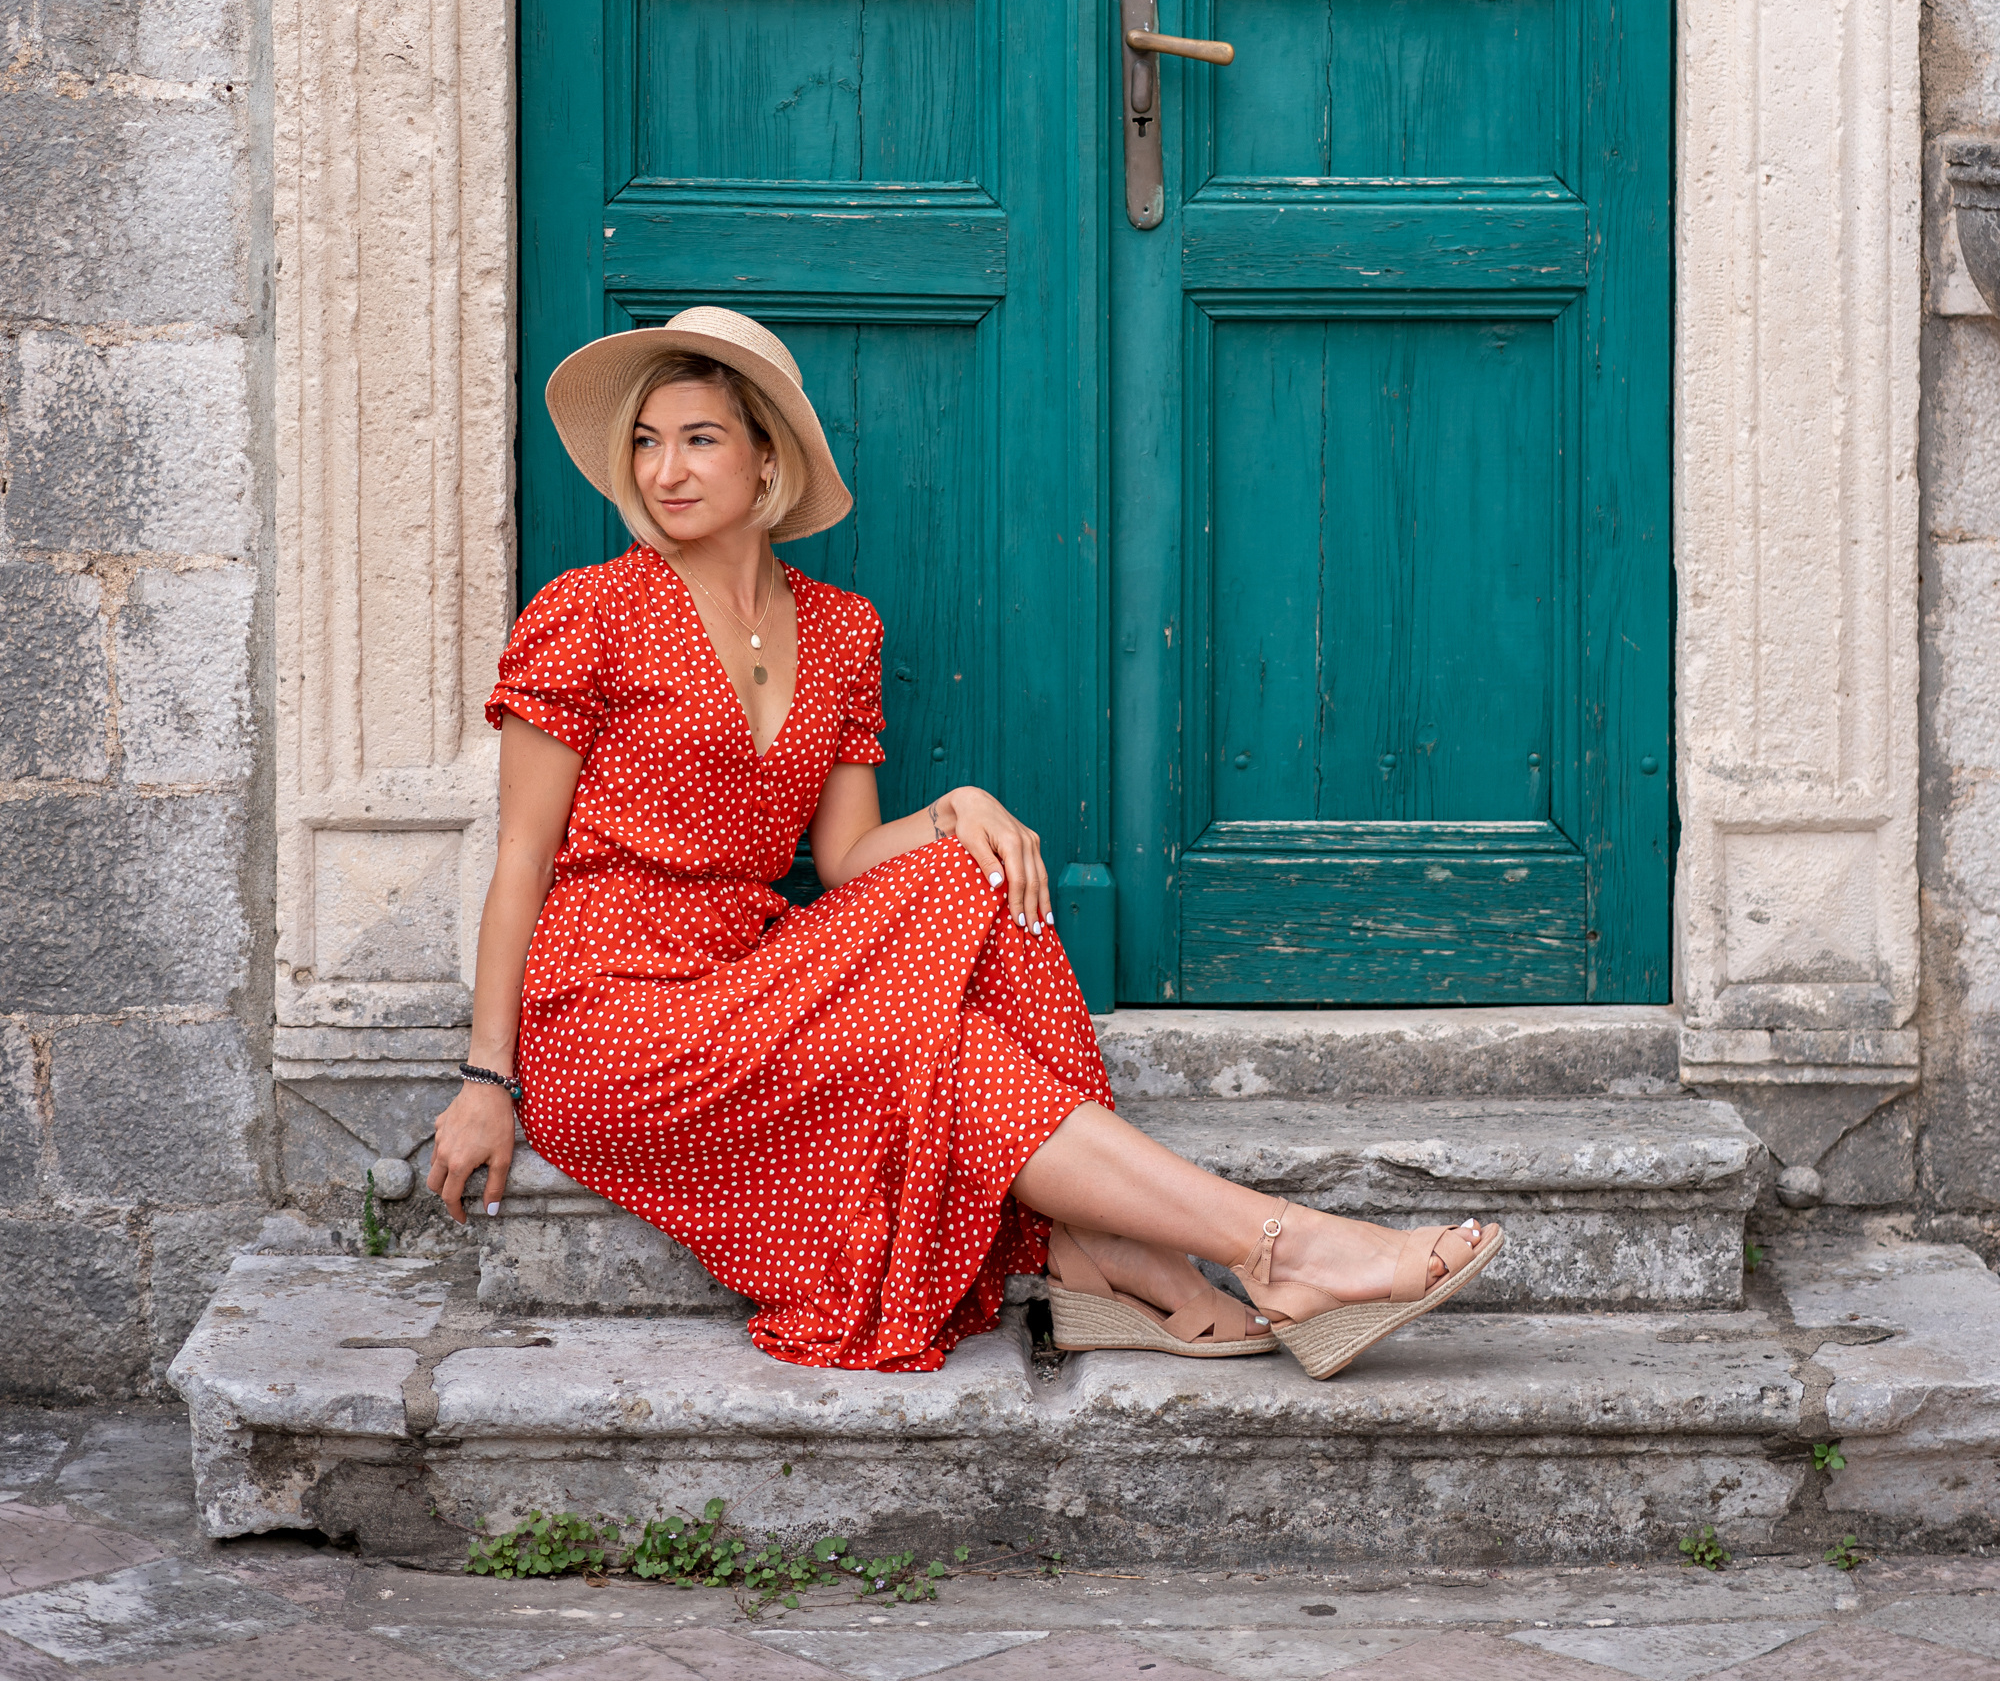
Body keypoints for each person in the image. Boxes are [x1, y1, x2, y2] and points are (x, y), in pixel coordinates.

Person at [426, 308, 1500, 1376]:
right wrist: (486, 1077)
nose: (665, 470)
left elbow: (846, 858)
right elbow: (521, 855)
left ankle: (1147, 1251)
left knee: (965, 870)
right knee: (949, 1028)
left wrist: (954, 809)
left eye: (699, 437)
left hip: (752, 976)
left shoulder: (840, 627)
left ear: (767, 459)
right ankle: (1236, 1246)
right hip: (613, 1016)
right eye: (647, 443)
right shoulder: (589, 610)